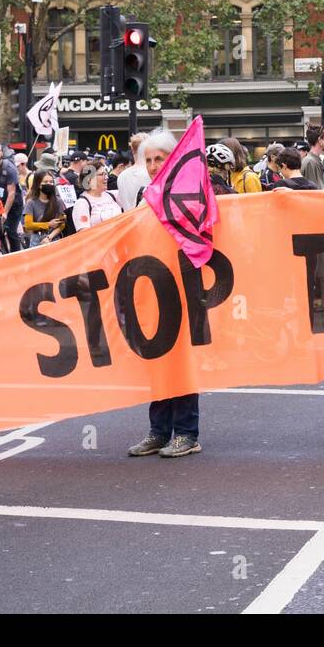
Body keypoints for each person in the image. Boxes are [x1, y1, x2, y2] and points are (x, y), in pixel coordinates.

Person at [127, 125, 204, 461]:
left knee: (181, 361)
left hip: (185, 286)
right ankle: (158, 431)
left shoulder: (191, 192)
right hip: (153, 286)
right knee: (157, 361)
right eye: (149, 159)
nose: (155, 164)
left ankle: (187, 433)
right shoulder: (145, 194)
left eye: (161, 158)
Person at [0, 143, 22, 253]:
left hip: (14, 204)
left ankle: (17, 255)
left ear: (2, 153)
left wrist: (5, 212)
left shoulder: (9, 168)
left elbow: (11, 193)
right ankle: (5, 253)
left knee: (11, 231)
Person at [23, 170, 67, 247]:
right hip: (36, 240)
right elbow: (28, 225)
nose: (49, 184)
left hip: (54, 239)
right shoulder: (31, 202)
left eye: (51, 182)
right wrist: (48, 224)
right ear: (38, 184)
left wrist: (49, 237)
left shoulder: (58, 201)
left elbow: (62, 224)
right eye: (45, 182)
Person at [72, 165, 123, 230]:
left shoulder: (113, 195)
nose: (106, 177)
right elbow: (83, 233)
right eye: (102, 174)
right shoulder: (81, 203)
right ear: (89, 179)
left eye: (106, 174)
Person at [117, 133, 149, 211]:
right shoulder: (150, 173)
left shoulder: (122, 175)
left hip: (128, 219)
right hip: (146, 220)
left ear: (132, 149)